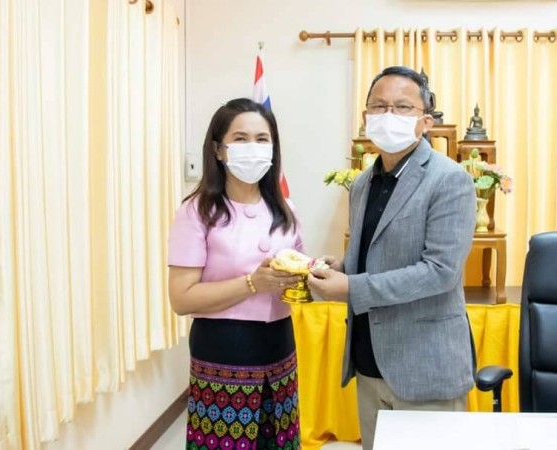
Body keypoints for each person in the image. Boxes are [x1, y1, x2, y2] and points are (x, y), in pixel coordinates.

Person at [307, 66, 477, 450]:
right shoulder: (362, 183)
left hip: (424, 367)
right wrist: (342, 268)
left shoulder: (449, 179)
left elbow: (441, 272)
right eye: (379, 106)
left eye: (402, 107)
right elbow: (375, 254)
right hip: (369, 361)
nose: (388, 115)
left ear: (426, 121)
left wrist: (351, 287)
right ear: (365, 116)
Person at [167, 98, 304, 450]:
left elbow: (296, 274)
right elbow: (181, 298)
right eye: (240, 139)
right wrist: (252, 284)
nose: (253, 147)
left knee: (278, 439)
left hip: (280, 344)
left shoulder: (285, 208)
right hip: (223, 348)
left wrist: (314, 272)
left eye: (262, 139)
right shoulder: (197, 211)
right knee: (223, 442)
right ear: (219, 149)